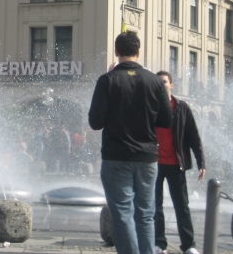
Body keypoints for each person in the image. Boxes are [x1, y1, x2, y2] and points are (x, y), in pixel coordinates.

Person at [88, 32, 173, 254]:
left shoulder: (107, 80)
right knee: (145, 214)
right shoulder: (155, 81)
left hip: (116, 156)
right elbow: (166, 120)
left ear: (116, 52)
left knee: (122, 215)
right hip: (147, 158)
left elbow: (95, 122)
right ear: (138, 52)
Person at [154, 71, 206, 254]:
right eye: (158, 82)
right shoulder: (150, 107)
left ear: (172, 85)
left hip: (176, 164)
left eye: (165, 82)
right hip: (154, 164)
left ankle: (188, 245)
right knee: (155, 207)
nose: (162, 85)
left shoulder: (182, 108)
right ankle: (159, 244)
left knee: (182, 206)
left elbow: (193, 136)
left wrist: (201, 162)